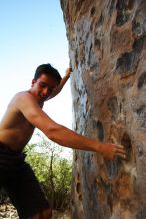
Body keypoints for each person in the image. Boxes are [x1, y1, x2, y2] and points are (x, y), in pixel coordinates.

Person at [0, 63, 126, 219]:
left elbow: (54, 91)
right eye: (42, 85)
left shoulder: (41, 97)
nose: (45, 92)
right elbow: (53, 131)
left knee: (42, 214)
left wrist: (66, 76)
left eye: (50, 89)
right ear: (33, 82)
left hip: (16, 160)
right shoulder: (23, 98)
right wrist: (100, 147)